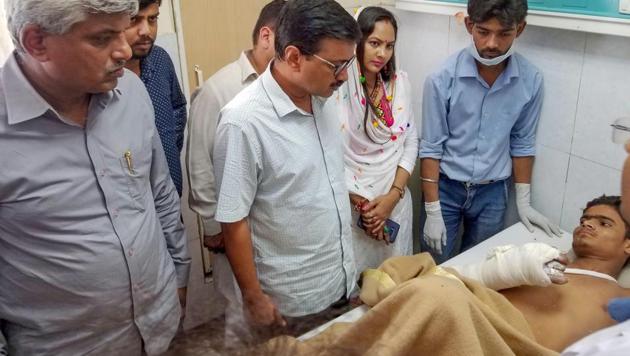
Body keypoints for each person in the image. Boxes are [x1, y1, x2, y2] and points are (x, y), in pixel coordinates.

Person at [0, 1, 190, 354]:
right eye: (103, 38)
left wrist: (179, 275)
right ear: (36, 42)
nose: (124, 49)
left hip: (161, 327)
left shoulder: (132, 92)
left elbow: (158, 190)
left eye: (124, 29)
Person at [256, 195, 630, 355]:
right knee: (430, 281)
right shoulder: (542, 258)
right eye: (584, 220)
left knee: (437, 296)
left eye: (603, 223)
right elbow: (481, 280)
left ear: (628, 246)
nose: (586, 226)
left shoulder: (621, 300)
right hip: (479, 314)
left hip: (508, 345)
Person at [212, 0, 361, 344]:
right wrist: (253, 298)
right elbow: (234, 222)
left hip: (339, 280)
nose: (344, 76)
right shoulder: (243, 121)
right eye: (336, 65)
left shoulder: (323, 97)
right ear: (294, 57)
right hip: (291, 301)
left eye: (348, 63)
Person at [419, 0, 560, 263]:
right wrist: (432, 209)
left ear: (520, 29)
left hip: (493, 193)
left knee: (481, 268)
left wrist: (524, 201)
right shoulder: (441, 78)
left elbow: (522, 141)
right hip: (445, 187)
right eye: (483, 32)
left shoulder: (530, 80)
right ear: (469, 25)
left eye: (504, 33)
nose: (492, 44)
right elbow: (431, 147)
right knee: (433, 268)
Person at [186, 0, 286, 345]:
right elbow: (199, 167)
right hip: (234, 233)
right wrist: (217, 229)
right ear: (266, 36)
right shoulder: (218, 90)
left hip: (274, 233)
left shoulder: (286, 85)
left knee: (276, 319)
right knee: (242, 319)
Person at [337, 6, 417, 275]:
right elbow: (329, 153)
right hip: (359, 210)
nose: (382, 53)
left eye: (389, 46)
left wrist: (392, 197)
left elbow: (410, 142)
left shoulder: (400, 84)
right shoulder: (337, 90)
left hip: (394, 203)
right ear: (357, 41)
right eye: (374, 43)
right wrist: (368, 210)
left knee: (397, 285)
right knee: (360, 294)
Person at [125, 0, 187, 196]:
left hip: (171, 194)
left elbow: (178, 108)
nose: (146, 30)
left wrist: (167, 150)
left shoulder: (160, 59)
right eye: (134, 20)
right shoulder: (102, 77)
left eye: (152, 19)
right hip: (134, 205)